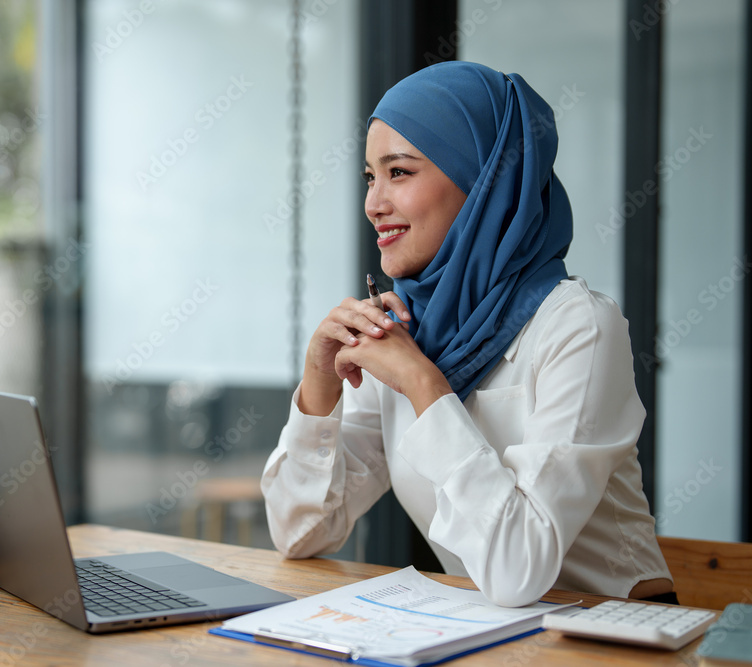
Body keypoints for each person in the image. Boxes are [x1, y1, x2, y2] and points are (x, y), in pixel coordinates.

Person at [261, 61, 674, 607]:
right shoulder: (405, 328)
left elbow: (519, 570)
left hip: (618, 640)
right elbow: (300, 534)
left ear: (483, 180)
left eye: (399, 172)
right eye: (369, 177)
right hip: (492, 639)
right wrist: (319, 387)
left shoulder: (577, 326)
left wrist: (423, 384)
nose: (372, 203)